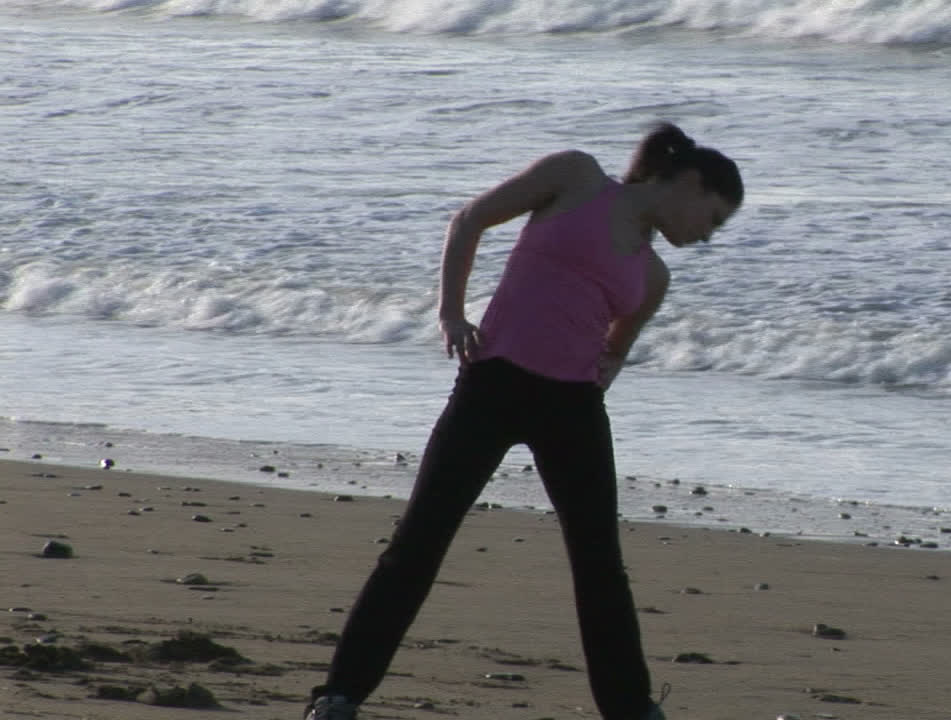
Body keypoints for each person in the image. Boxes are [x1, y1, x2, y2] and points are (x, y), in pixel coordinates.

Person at [304, 123, 744, 720]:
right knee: (419, 543)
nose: (706, 236)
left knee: (598, 566)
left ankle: (632, 710)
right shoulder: (576, 176)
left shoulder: (653, 276)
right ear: (691, 182)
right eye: (713, 218)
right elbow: (469, 221)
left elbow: (615, 351)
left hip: (572, 411)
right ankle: (339, 696)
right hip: (491, 387)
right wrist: (452, 314)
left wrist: (597, 368)